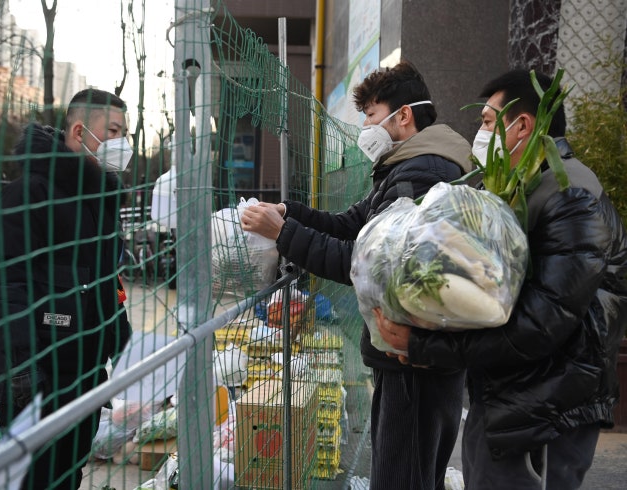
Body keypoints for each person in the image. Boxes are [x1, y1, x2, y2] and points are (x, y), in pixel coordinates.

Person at [376, 69, 627, 489]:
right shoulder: (524, 189)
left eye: (489, 122)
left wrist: (422, 345)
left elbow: (541, 323)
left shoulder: (570, 195)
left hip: (546, 411)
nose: (480, 132)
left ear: (523, 125)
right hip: (516, 398)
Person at [241, 61, 473, 489]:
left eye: (370, 113)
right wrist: (289, 214)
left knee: (402, 477)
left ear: (403, 115)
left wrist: (284, 234)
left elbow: (373, 265)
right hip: (411, 352)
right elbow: (354, 225)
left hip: (413, 357)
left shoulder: (423, 174)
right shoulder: (405, 166)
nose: (365, 124)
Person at [0, 88, 133, 490]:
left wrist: (123, 347)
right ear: (81, 131)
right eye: (114, 132)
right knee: (33, 480)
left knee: (69, 475)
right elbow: (5, 282)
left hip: (84, 376)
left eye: (125, 134)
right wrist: (21, 365)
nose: (123, 144)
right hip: (36, 381)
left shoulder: (100, 200)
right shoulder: (29, 193)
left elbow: (105, 284)